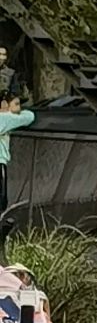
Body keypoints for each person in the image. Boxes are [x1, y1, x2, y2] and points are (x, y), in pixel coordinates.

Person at [0, 69, 36, 254]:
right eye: (16, 103)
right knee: (2, 201)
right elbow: (29, 117)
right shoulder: (4, 119)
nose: (19, 107)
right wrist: (14, 114)